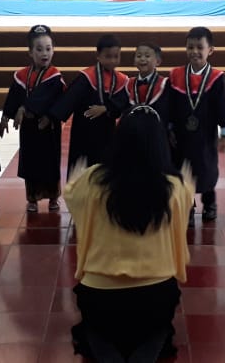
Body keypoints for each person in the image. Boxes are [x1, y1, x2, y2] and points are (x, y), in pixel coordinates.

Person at [64, 106, 194, 363]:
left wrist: (73, 180)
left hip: (101, 293)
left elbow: (72, 197)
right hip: (155, 293)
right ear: (159, 144)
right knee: (157, 327)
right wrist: (187, 187)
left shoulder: (93, 179)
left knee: (96, 328)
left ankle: (106, 348)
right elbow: (185, 205)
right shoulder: (174, 186)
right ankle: (148, 347)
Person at [168, 26, 225, 223]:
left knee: (206, 169)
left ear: (210, 50)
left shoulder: (217, 78)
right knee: (183, 170)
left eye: (200, 47)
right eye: (190, 47)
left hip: (205, 136)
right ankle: (188, 206)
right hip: (181, 135)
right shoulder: (176, 75)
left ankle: (210, 203)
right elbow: (169, 104)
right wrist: (169, 127)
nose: (195, 52)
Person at [0, 25, 65, 213]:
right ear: (30, 52)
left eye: (48, 49)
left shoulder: (55, 76)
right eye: (39, 49)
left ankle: (53, 196)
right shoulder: (21, 75)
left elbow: (46, 97)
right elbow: (13, 96)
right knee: (31, 163)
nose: (45, 53)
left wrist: (26, 108)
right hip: (29, 128)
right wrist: (5, 116)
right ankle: (32, 198)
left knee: (50, 163)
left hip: (48, 128)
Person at [51, 34, 129, 173]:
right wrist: (52, 117)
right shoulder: (86, 77)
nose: (112, 60)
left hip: (107, 132)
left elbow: (123, 102)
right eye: (108, 56)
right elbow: (70, 98)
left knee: (104, 169)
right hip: (84, 132)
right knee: (81, 169)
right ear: (98, 56)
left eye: (116, 56)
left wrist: (106, 108)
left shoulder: (121, 80)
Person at [125, 42, 169, 132]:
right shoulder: (129, 84)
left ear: (158, 61)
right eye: (139, 56)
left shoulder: (164, 84)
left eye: (147, 56)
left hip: (157, 131)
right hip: (133, 131)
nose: (142, 59)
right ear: (134, 61)